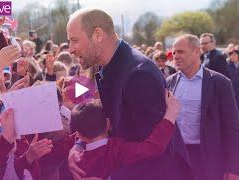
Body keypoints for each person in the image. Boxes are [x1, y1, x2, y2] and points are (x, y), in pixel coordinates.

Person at [66, 8, 191, 180]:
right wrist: (80, 145)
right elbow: (105, 125)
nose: (70, 49)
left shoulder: (139, 75)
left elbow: (156, 154)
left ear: (97, 35)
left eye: (74, 40)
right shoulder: (109, 66)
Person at [167, 34, 239, 180]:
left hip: (207, 158)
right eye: (174, 52)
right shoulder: (169, 82)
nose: (175, 56)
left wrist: (233, 168)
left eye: (181, 51)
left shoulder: (220, 83)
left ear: (196, 51)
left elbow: (232, 128)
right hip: (176, 157)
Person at [68, 96, 178, 179]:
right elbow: (152, 148)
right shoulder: (118, 150)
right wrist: (170, 115)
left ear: (79, 135)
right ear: (108, 123)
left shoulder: (76, 160)